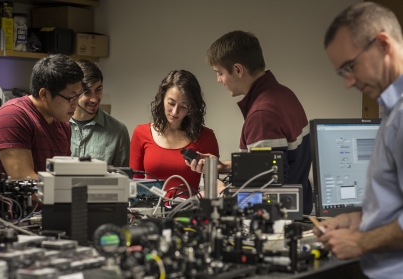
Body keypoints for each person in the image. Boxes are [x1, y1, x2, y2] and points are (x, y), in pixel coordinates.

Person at [314, 2, 403, 278]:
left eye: (351, 66)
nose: (348, 83)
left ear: (383, 44)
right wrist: (357, 220)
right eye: (342, 72)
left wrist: (362, 242)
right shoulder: (391, 113)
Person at [190, 30, 312, 214]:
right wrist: (224, 166)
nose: (218, 80)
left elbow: (270, 196)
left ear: (238, 70)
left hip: (280, 224)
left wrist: (222, 193)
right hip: (300, 210)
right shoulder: (285, 95)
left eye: (220, 72)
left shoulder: (262, 114)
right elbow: (276, 163)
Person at [0, 54, 83, 179]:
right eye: (71, 97)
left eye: (79, 95)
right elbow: (24, 181)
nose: (76, 103)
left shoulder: (62, 123)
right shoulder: (12, 117)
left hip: (52, 198)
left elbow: (64, 176)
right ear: (44, 94)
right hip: (16, 199)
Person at [130, 69, 219, 198]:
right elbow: (134, 187)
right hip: (149, 213)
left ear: (192, 108)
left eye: (183, 106)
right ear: (162, 99)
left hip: (188, 212)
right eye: (171, 103)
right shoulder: (141, 133)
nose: (175, 111)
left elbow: (213, 188)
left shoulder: (206, 137)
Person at [70, 60, 130, 167]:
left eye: (98, 90)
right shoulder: (55, 126)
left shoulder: (119, 130)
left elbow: (122, 178)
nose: (94, 99)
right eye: (87, 92)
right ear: (74, 93)